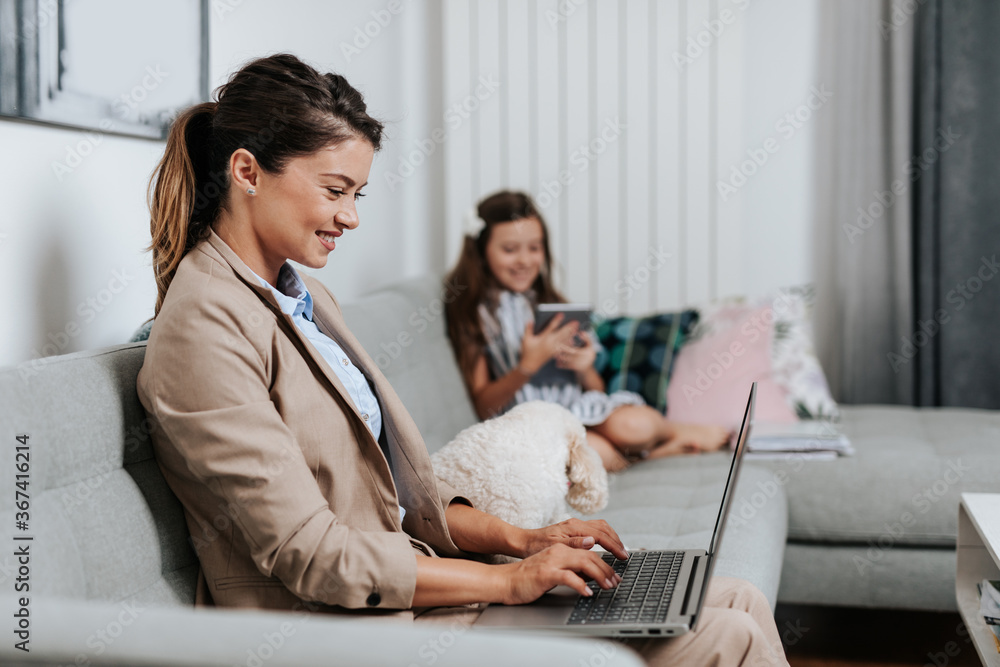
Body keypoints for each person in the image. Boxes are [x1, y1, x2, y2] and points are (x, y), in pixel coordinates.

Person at [135, 53, 787, 666]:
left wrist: (526, 541)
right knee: (726, 635)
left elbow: (399, 502)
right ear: (247, 173)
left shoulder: (306, 297)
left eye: (358, 194)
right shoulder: (204, 326)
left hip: (414, 594)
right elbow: (312, 554)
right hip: (345, 632)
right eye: (335, 190)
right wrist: (510, 581)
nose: (351, 217)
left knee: (738, 599)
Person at [443, 191, 730, 471]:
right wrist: (527, 367)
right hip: (533, 424)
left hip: (579, 410)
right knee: (594, 452)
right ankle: (651, 457)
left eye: (534, 248)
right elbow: (483, 407)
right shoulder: (473, 315)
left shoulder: (551, 304)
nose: (525, 260)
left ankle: (671, 431)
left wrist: (584, 368)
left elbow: (596, 390)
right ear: (481, 252)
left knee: (635, 426)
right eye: (509, 250)